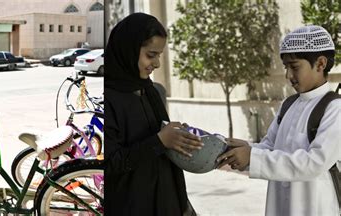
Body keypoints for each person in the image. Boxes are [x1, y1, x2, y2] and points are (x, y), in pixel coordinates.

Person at [217, 25, 340, 215]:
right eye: (286, 67)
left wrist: (253, 156)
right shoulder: (289, 104)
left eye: (294, 67)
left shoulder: (335, 108)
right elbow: (271, 147)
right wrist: (246, 148)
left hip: (316, 207)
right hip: (280, 205)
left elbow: (314, 163)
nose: (288, 76)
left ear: (321, 63)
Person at [104, 13, 203, 216]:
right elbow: (110, 162)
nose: (157, 64)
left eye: (159, 55)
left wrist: (176, 137)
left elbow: (160, 145)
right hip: (132, 205)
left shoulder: (149, 90)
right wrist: (159, 140)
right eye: (151, 55)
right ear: (128, 50)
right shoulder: (109, 96)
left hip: (167, 202)